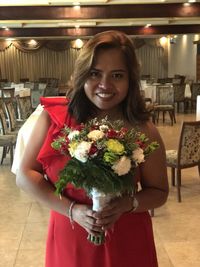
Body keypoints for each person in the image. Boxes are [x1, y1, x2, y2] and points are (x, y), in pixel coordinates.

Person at [16, 30, 169, 267]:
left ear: (130, 80)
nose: (105, 85)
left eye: (117, 75)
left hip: (127, 240)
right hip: (70, 235)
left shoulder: (143, 128)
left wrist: (127, 205)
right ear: (82, 75)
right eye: (95, 74)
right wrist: (72, 210)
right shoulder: (53, 119)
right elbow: (26, 175)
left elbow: (159, 191)